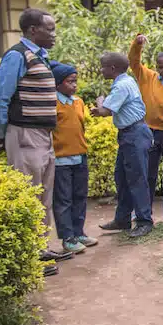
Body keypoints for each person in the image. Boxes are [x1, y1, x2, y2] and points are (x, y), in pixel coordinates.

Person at [0, 8, 71, 274]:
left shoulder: (40, 57)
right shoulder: (17, 55)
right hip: (24, 133)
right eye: (50, 29)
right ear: (33, 30)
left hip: (43, 135)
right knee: (29, 194)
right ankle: (29, 257)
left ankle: (40, 248)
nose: (54, 34)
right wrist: (0, 133)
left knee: (44, 195)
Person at [92, 52, 154, 238]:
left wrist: (100, 101)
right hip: (129, 134)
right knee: (122, 177)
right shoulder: (125, 81)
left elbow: (105, 111)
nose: (101, 70)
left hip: (134, 134)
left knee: (137, 178)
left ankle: (144, 221)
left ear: (112, 68)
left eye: (103, 67)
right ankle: (122, 219)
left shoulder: (122, 85)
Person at [128, 34, 163, 222]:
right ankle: (143, 209)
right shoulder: (148, 77)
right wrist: (137, 44)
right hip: (149, 132)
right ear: (156, 66)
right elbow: (133, 61)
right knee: (147, 172)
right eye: (161, 67)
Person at [50, 62, 97, 254]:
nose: (74, 85)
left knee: (80, 197)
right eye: (70, 81)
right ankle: (67, 238)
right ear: (57, 83)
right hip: (60, 160)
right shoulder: (52, 103)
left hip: (79, 157)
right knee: (63, 200)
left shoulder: (78, 102)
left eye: (75, 81)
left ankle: (79, 233)